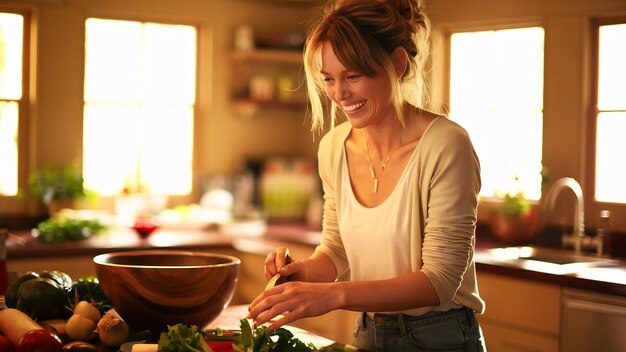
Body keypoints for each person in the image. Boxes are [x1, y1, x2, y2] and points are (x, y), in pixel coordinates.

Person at [247, 0, 486, 350]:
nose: (339, 94)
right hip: (368, 330)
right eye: (329, 79)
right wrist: (305, 273)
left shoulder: (446, 144)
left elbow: (439, 281)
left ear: (397, 64)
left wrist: (331, 295)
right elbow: (336, 250)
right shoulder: (333, 148)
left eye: (353, 76)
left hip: (440, 334)